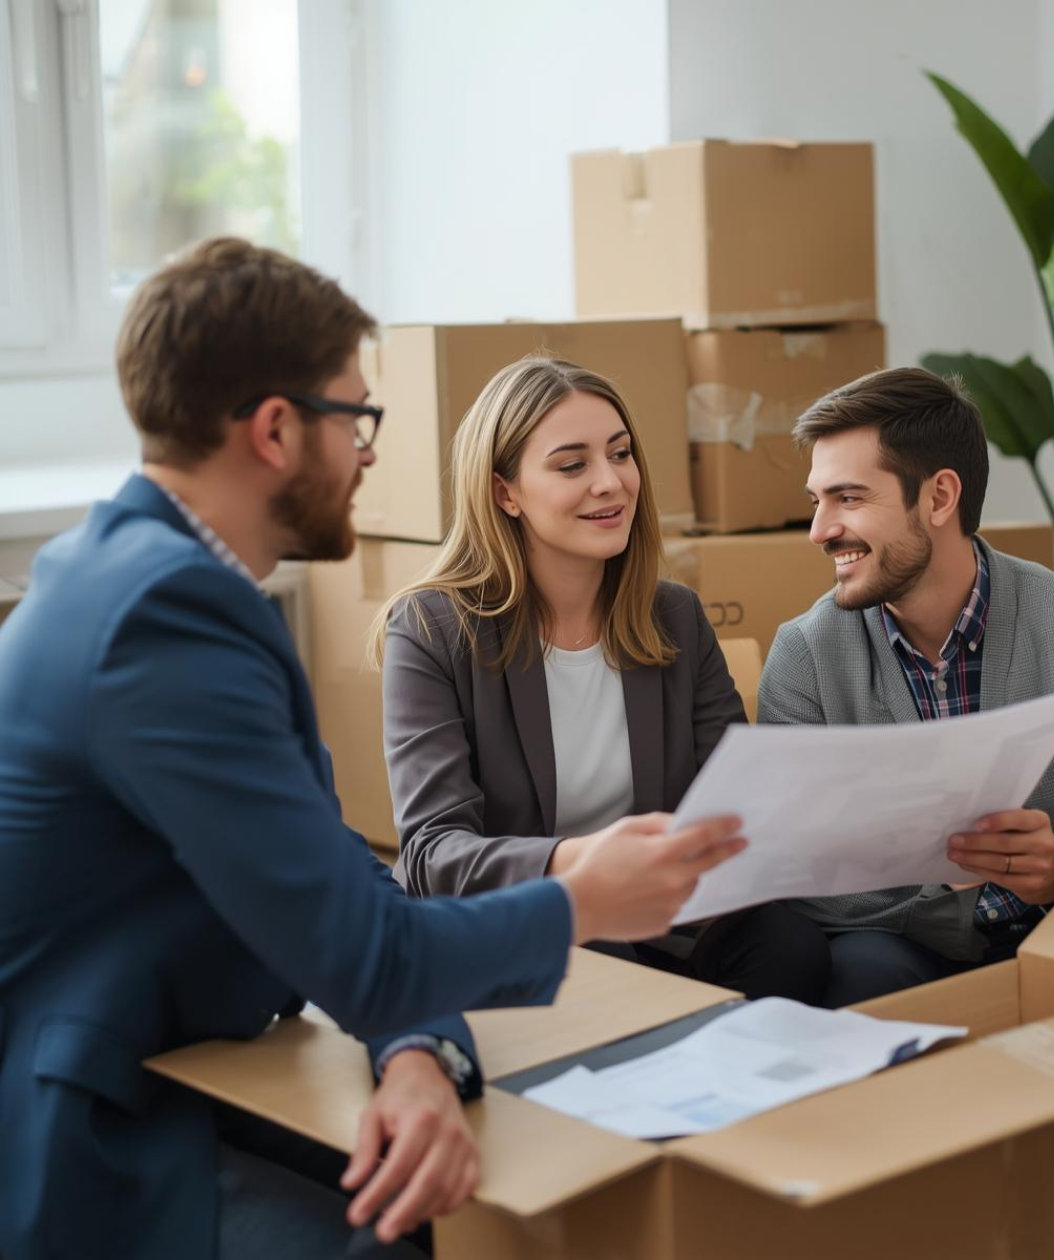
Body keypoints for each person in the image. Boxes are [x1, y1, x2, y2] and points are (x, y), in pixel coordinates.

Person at [0, 238, 746, 1260]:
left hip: (196, 1051)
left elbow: (343, 872)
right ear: (276, 430)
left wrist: (416, 1052)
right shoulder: (163, 619)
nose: (369, 455)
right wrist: (583, 899)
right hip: (92, 1117)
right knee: (414, 1234)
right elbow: (369, 945)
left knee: (488, 1188)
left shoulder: (156, 578)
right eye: (356, 420)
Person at [374, 356, 831, 1004]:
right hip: (524, 925)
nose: (610, 483)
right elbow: (432, 855)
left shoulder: (675, 615)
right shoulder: (432, 628)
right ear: (505, 493)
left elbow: (733, 802)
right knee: (600, 953)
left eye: (620, 454)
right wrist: (584, 867)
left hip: (666, 922)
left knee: (791, 947)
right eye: (572, 465)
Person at [757, 366, 1054, 1008]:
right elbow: (792, 871)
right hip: (898, 945)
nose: (820, 530)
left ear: (939, 498)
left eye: (848, 498)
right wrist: (946, 903)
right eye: (816, 501)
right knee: (859, 973)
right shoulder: (806, 655)